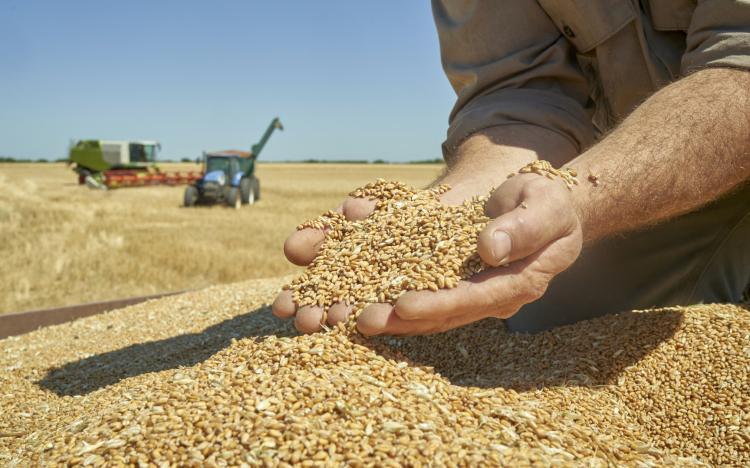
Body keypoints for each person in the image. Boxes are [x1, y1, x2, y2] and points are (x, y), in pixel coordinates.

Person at [274, 0, 750, 336]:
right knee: (543, 316)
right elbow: (518, 93)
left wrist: (584, 198)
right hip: (642, 164)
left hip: (720, 141)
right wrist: (457, 204)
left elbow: (740, 67)